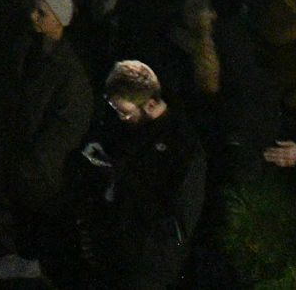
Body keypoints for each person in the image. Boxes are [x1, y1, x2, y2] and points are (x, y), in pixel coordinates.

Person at [0, 0, 95, 282]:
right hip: (23, 154)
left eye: (42, 13)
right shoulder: (32, 49)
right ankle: (28, 257)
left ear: (60, 20)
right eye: (35, 10)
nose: (34, 17)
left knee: (39, 219)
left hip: (40, 167)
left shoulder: (69, 72)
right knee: (25, 215)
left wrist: (37, 160)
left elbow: (69, 124)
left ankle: (35, 263)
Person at [81, 56, 206, 290]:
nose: (121, 118)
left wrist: (122, 177)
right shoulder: (134, 128)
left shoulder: (184, 149)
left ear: (149, 105)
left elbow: (178, 221)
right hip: (119, 248)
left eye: (125, 112)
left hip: (148, 263)